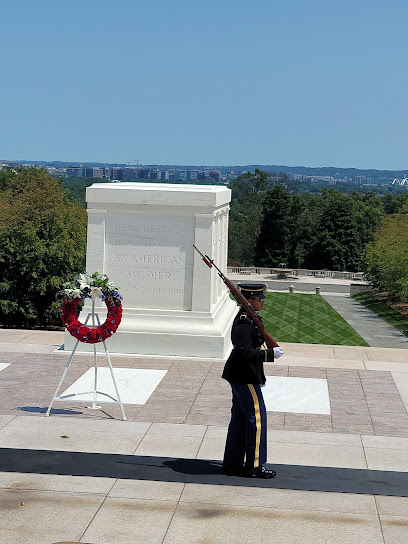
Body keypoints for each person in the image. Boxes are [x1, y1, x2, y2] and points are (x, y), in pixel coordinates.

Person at [221, 283, 284, 478]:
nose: (262, 301)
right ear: (249, 300)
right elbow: (243, 352)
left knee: (240, 419)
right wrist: (269, 354)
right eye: (260, 299)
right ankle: (254, 465)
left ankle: (233, 463)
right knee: (256, 418)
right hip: (244, 375)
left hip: (241, 374)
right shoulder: (244, 322)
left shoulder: (248, 318)